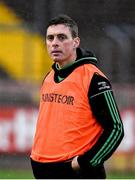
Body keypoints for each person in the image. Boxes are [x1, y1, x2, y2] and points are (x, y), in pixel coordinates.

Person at [30, 14, 124, 179]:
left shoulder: (93, 79)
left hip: (75, 172)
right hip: (43, 170)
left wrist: (85, 162)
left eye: (61, 37)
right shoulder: (50, 76)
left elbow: (116, 128)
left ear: (76, 42)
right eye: (50, 38)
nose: (55, 43)